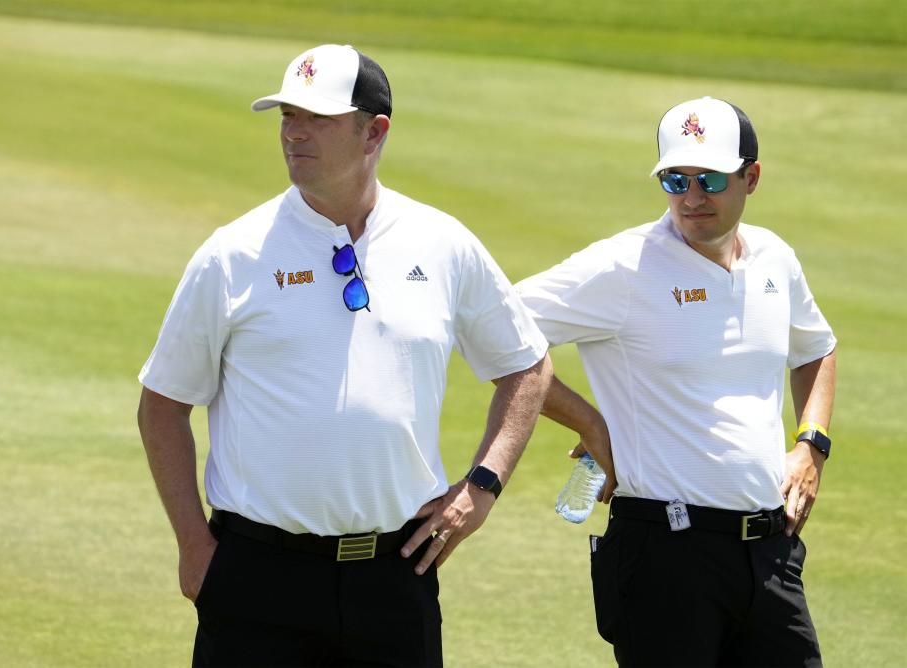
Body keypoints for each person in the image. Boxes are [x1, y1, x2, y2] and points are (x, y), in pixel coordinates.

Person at [136, 44, 551, 667]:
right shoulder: (232, 254)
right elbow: (162, 404)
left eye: (317, 118)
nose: (295, 133)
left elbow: (527, 365)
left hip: (395, 577)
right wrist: (194, 544)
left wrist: (482, 487)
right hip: (257, 577)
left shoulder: (442, 244)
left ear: (374, 132)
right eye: (287, 116)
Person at [516, 96, 836, 666]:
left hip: (768, 555)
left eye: (710, 178)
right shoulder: (622, 266)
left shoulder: (775, 260)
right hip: (664, 555)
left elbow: (816, 348)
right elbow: (497, 330)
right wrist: (590, 422)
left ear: (751, 177)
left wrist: (811, 444)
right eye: (674, 179)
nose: (691, 197)